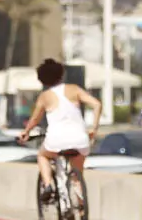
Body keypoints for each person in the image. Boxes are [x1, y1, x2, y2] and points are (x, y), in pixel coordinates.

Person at [17, 59, 101, 199]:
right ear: (62, 74)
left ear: (42, 80)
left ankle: (48, 184)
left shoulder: (44, 97)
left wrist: (26, 132)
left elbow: (35, 119)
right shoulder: (74, 89)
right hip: (80, 139)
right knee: (76, 177)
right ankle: (80, 210)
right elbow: (97, 104)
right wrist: (94, 129)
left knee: (42, 156)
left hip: (56, 140)